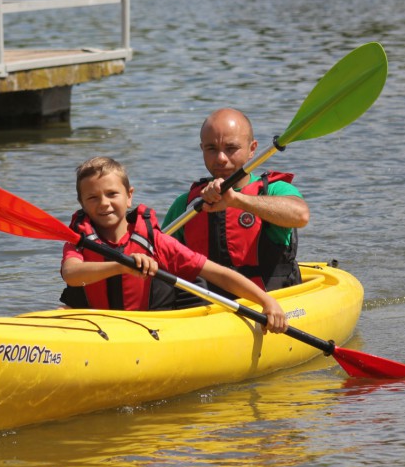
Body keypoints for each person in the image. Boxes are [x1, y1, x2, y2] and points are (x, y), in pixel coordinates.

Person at [60, 156, 287, 334]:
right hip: (97, 328)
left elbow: (219, 274)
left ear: (129, 196)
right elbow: (71, 274)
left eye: (112, 194)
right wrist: (122, 266)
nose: (104, 204)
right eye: (93, 198)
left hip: (150, 329)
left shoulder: (156, 242)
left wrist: (266, 301)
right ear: (81, 203)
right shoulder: (79, 240)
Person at [162, 108, 309, 304]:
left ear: (252, 149)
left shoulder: (273, 191)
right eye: (212, 149)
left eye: (231, 148)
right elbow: (158, 255)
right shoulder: (187, 204)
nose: (221, 158)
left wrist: (236, 201)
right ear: (202, 149)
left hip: (269, 305)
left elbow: (300, 216)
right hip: (203, 310)